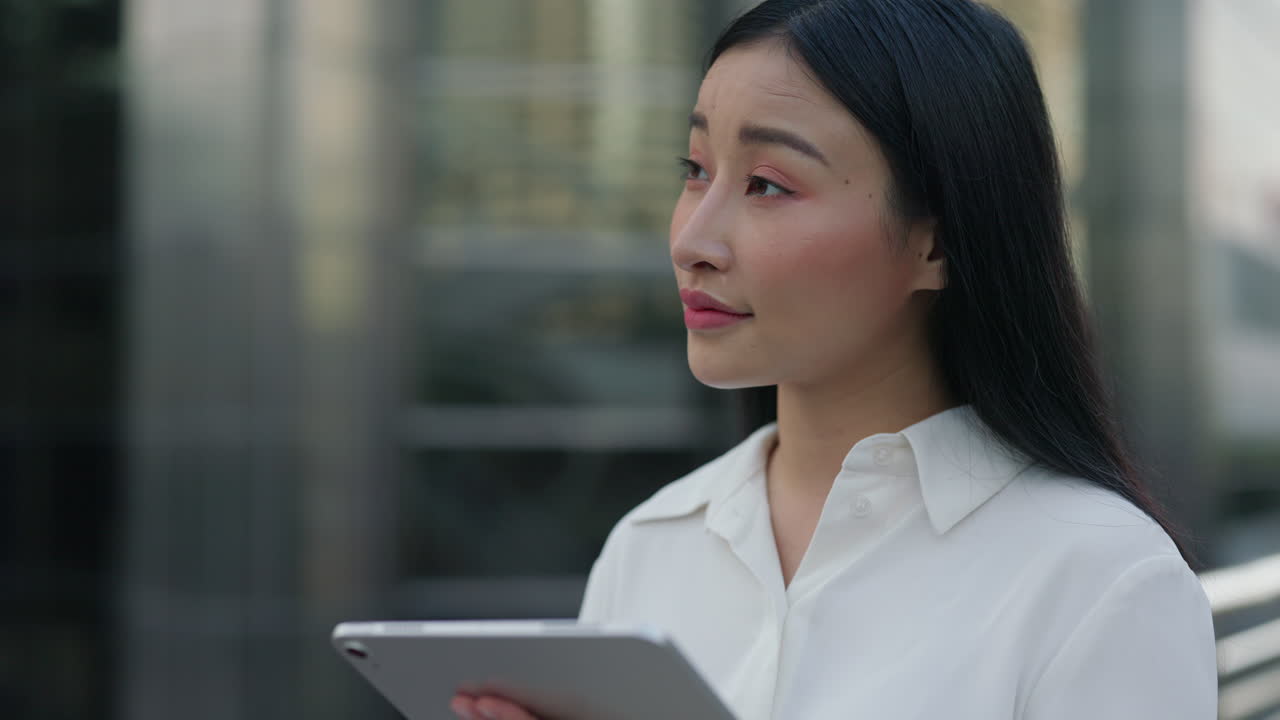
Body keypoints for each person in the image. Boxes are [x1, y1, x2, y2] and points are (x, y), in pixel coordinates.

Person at [451, 0, 1218, 718]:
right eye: (694, 171)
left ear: (938, 241)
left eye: (766, 184)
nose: (692, 242)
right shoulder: (651, 546)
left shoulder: (1100, 579)